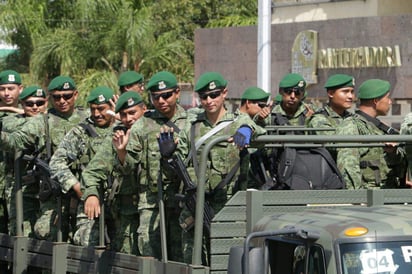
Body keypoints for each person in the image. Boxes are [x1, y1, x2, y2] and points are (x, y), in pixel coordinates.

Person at [163, 72, 263, 265]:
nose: (209, 100)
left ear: (224, 93)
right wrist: (167, 157)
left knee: (228, 262)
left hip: (228, 205)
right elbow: (175, 169)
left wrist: (247, 130)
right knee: (194, 260)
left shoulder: (238, 121)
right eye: (203, 97)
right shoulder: (192, 127)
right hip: (196, 204)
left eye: (214, 94)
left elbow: (256, 129)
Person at [109, 71, 189, 260]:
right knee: (148, 253)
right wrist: (121, 153)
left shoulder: (191, 121)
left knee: (181, 254)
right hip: (151, 200)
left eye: (167, 95)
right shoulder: (143, 125)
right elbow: (127, 168)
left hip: (183, 200)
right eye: (156, 96)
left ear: (177, 93)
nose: (161, 101)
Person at [0, 75, 88, 242]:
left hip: (84, 189)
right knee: (49, 234)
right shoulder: (41, 122)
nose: (62, 101)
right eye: (57, 97)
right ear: (50, 98)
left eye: (67, 96)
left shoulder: (88, 118)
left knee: (86, 238)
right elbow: (16, 141)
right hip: (54, 192)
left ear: (75, 95)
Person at [49, 86, 116, 247]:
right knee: (88, 247)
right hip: (89, 204)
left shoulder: (124, 127)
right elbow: (56, 162)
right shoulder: (81, 132)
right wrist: (77, 187)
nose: (97, 114)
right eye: (93, 109)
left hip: (120, 204)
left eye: (102, 109)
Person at [81, 91, 146, 254]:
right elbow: (92, 172)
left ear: (144, 110)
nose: (128, 119)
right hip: (127, 213)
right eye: (123, 114)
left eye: (132, 113)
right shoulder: (117, 134)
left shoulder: (155, 129)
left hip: (160, 210)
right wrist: (91, 194)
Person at [336, 79, 406, 189]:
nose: (390, 102)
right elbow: (348, 167)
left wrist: (392, 152)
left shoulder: (378, 127)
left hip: (387, 193)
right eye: (387, 97)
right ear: (376, 100)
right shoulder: (352, 126)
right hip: (369, 197)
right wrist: (356, 200)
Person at [5, 86, 48, 237]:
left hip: (46, 187)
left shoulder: (52, 121)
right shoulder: (12, 122)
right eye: (29, 104)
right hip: (22, 189)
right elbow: (9, 128)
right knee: (21, 231)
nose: (35, 107)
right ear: (22, 105)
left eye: (39, 103)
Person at [307, 74, 355, 159]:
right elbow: (334, 145)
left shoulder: (352, 117)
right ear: (331, 93)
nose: (350, 96)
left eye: (352, 92)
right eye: (345, 92)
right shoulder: (319, 119)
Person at [0, 69, 23, 234]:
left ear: (20, 89)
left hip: (18, 184)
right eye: (2, 89)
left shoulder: (30, 110)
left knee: (17, 230)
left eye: (11, 88)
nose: (6, 93)